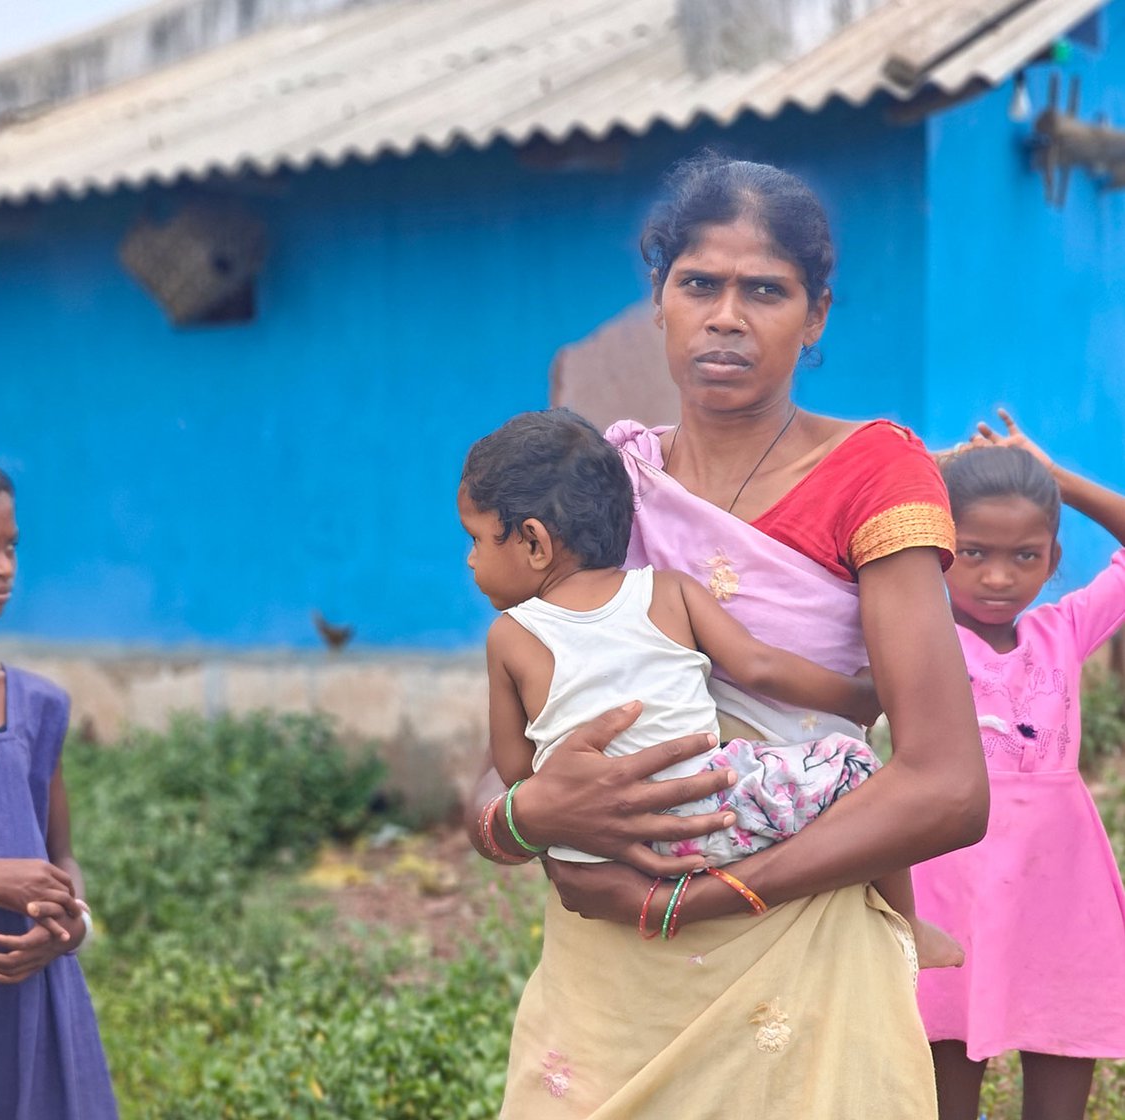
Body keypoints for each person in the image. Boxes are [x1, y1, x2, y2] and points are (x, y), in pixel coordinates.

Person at [463, 151, 988, 1119]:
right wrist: (534, 816)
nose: (727, 316)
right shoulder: (608, 486)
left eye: (766, 291)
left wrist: (716, 892)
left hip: (799, 956)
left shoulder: (876, 474)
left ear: (816, 315)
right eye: (699, 283)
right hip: (611, 979)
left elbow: (950, 786)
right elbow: (507, 770)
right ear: (658, 299)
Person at [461, 406, 964, 967]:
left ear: (533, 542)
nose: (471, 559)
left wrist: (548, 805)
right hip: (716, 814)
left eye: (477, 539)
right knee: (853, 768)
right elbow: (758, 667)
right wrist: (866, 695)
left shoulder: (509, 637)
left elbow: (515, 774)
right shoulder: (667, 591)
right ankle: (908, 925)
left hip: (601, 856)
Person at [913, 410, 1125, 1120]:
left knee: (1064, 1046)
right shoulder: (910, 631)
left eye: (1024, 556)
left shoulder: (1061, 630)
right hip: (946, 877)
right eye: (971, 553)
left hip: (1059, 886)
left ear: (1053, 558)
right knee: (944, 1073)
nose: (998, 577)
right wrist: (919, 477)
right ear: (938, 547)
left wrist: (1054, 480)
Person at [0, 445, 118, 1119]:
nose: (4, 567)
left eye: (11, 546)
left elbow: (59, 858)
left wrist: (69, 928)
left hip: (27, 1009)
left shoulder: (36, 707)